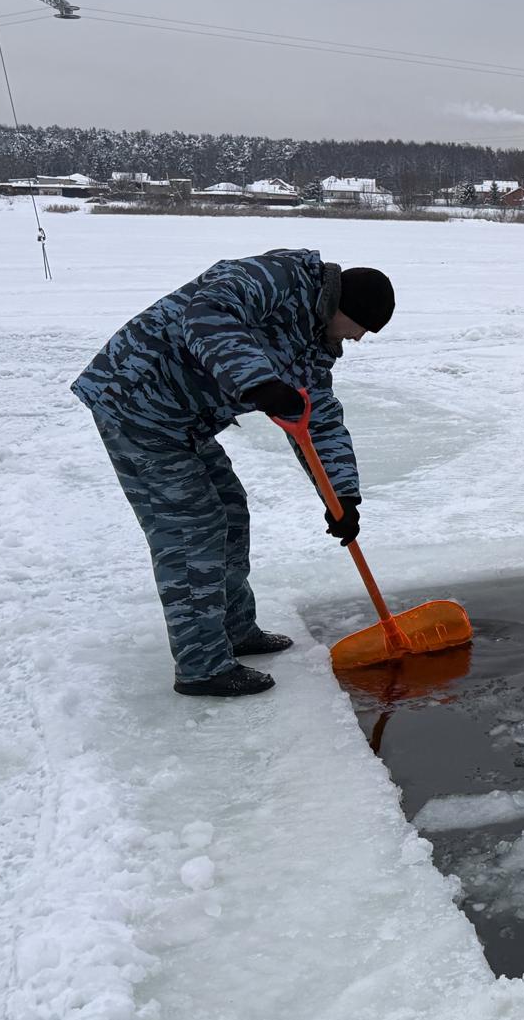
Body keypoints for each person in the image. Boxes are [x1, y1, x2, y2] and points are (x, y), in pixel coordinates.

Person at [72, 249, 395, 697]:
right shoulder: (277, 278)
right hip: (134, 400)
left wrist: (343, 498)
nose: (359, 339)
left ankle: (235, 629)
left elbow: (317, 418)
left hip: (186, 420)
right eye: (361, 328)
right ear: (343, 309)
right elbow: (207, 313)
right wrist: (259, 381)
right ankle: (202, 665)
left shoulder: (315, 344)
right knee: (192, 528)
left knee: (230, 510)